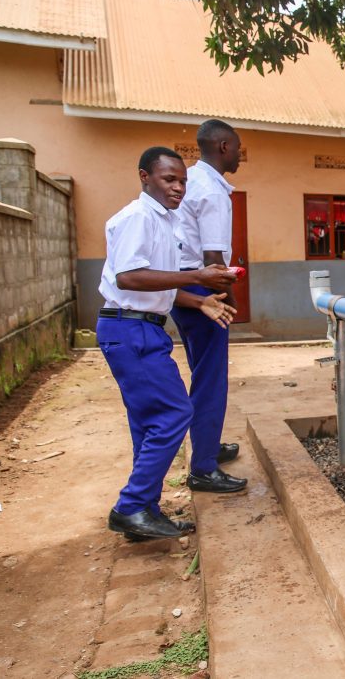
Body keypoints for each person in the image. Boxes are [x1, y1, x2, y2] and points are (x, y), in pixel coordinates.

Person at [99, 147, 239, 541]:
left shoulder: (164, 221)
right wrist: (197, 274)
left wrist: (199, 300)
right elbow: (129, 278)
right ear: (144, 176)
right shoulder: (139, 218)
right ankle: (130, 506)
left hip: (142, 326)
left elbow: (157, 283)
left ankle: (144, 510)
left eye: (182, 180)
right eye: (168, 179)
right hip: (130, 329)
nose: (178, 187)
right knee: (176, 412)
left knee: (148, 422)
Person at [170, 119, 249, 494]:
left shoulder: (191, 181)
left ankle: (207, 446)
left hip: (183, 282)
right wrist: (230, 302)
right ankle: (203, 467)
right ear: (222, 147)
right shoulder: (213, 191)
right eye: (236, 147)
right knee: (211, 379)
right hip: (201, 285)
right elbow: (214, 255)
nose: (239, 154)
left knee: (202, 371)